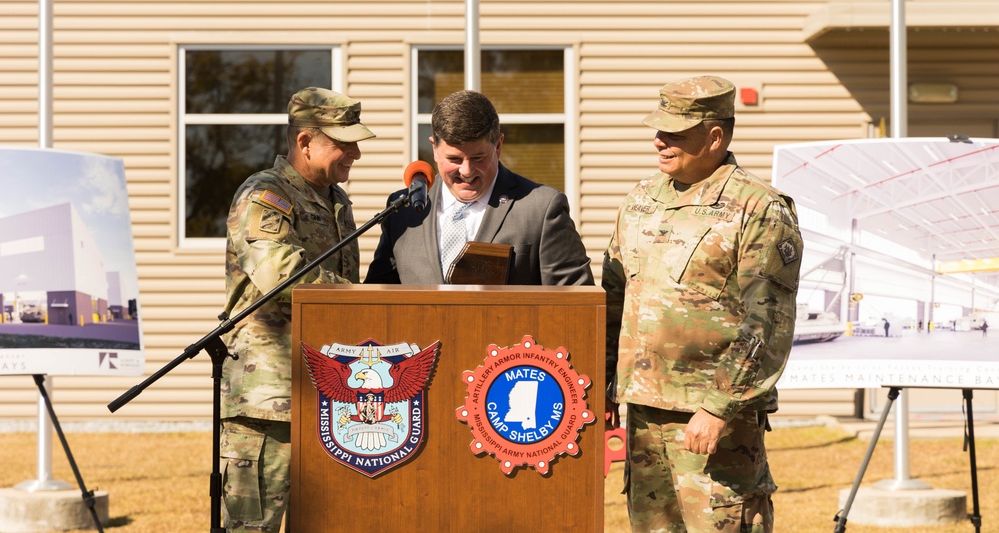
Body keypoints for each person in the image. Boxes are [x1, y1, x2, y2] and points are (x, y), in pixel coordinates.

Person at [603, 75, 803, 533]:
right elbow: (615, 297)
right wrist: (606, 380)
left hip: (713, 424)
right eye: (659, 129)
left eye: (674, 132)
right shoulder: (639, 201)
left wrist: (717, 407)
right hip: (644, 416)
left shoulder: (759, 208)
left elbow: (768, 321)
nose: (659, 140)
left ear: (715, 136)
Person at [220, 87, 375, 532]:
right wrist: (364, 298)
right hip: (268, 400)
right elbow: (281, 276)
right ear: (305, 142)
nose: (356, 154)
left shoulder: (337, 201)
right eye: (343, 143)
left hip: (326, 389)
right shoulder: (266, 195)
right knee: (254, 528)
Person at [365, 90, 593, 286]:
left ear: (499, 146)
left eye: (478, 157)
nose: (466, 171)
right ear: (434, 148)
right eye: (454, 159)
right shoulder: (401, 210)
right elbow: (378, 299)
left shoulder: (540, 208)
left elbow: (575, 302)